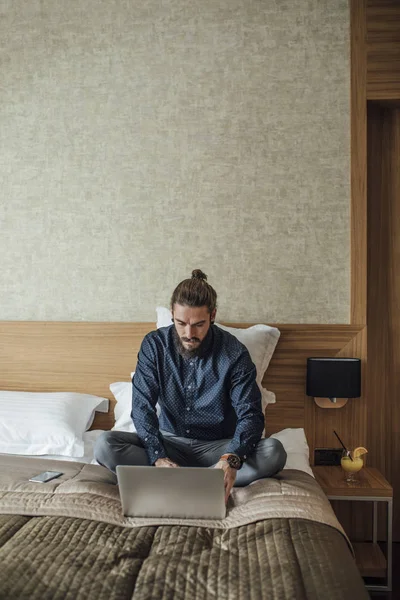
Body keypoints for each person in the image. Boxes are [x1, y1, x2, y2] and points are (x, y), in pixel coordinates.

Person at [94, 269, 286, 504]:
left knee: (274, 451)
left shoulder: (234, 353)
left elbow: (251, 415)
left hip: (219, 447)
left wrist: (231, 458)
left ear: (213, 315)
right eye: (181, 323)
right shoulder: (154, 346)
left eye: (198, 325)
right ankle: (195, 480)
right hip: (169, 443)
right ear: (172, 313)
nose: (189, 333)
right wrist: (158, 457)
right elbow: (142, 407)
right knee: (105, 444)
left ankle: (197, 478)